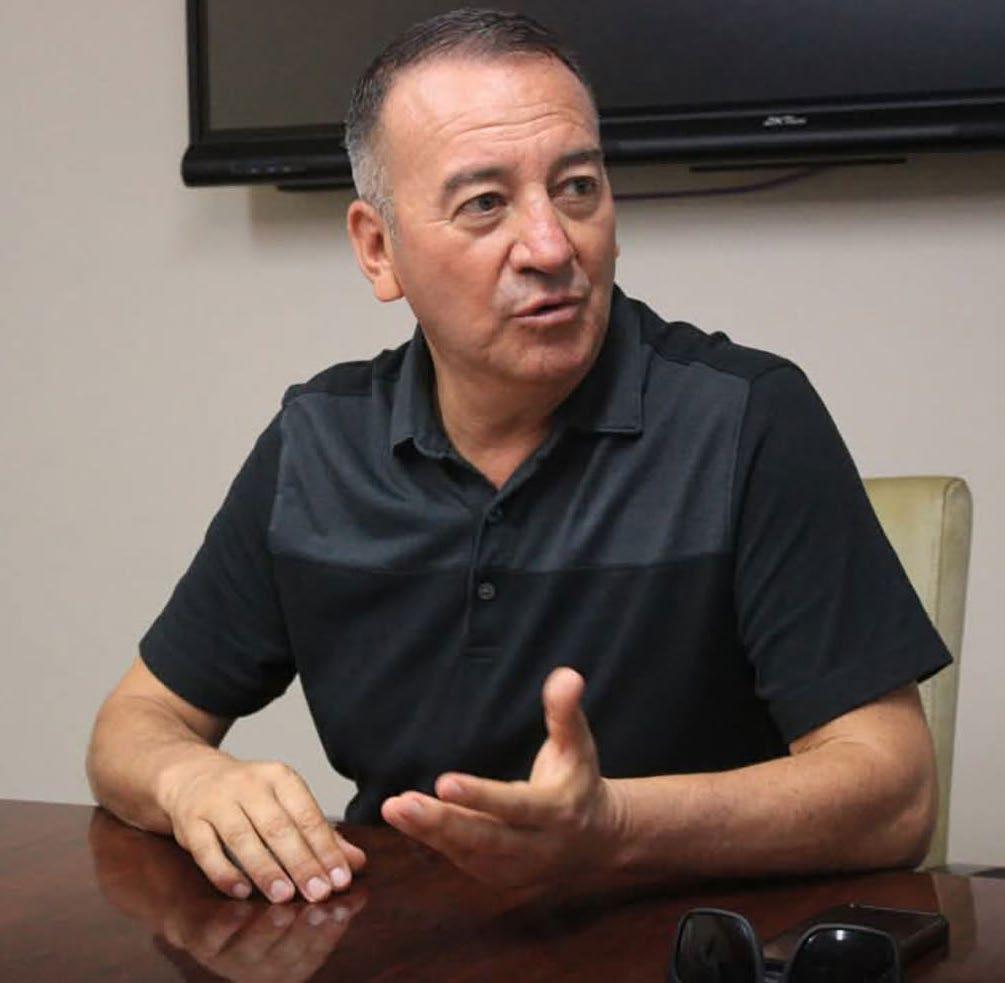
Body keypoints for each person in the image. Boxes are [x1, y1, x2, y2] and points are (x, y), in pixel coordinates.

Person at [87, 9, 950, 906]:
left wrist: (615, 828)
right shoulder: (317, 444)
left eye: (576, 188)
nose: (550, 246)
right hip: (405, 940)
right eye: (484, 204)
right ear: (378, 250)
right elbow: (135, 723)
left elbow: (894, 792)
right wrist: (192, 780)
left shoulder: (743, 417)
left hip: (680, 935)